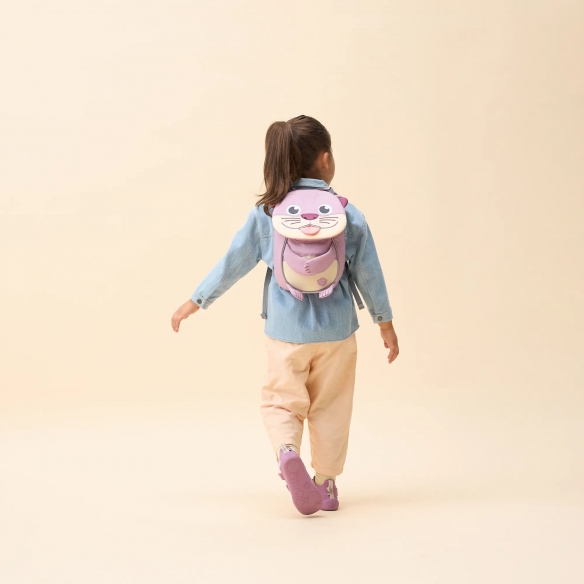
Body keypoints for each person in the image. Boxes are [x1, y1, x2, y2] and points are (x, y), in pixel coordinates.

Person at [171, 115, 399, 515]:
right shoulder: (348, 215)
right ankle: (326, 484)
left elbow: (233, 262)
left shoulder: (267, 214)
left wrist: (197, 300)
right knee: (331, 406)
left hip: (285, 333)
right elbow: (370, 274)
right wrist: (385, 322)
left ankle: (287, 452)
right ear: (325, 159)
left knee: (281, 402)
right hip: (337, 333)